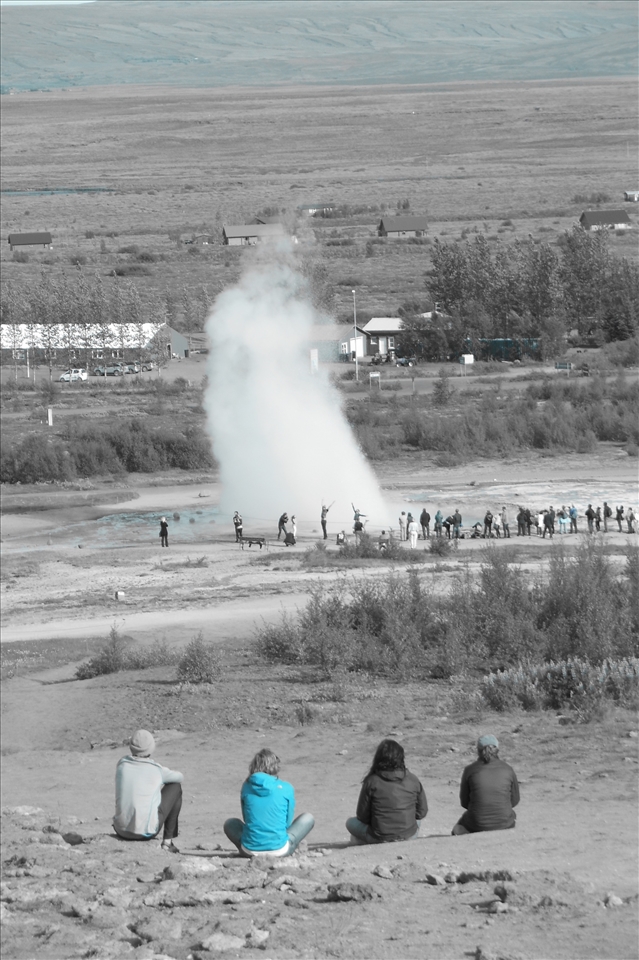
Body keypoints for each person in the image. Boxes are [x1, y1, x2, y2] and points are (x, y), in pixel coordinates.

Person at [224, 749, 314, 857]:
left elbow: (246, 818)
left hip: (250, 850)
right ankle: (281, 848)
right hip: (280, 850)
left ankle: (248, 849)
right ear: (275, 767)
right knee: (308, 818)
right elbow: (287, 822)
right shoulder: (286, 787)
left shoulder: (246, 786)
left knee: (230, 823)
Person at [113, 730, 183, 853]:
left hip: (120, 830)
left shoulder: (122, 764)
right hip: (145, 833)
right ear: (151, 748)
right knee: (175, 787)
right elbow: (179, 777)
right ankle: (167, 842)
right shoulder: (156, 769)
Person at [346, 739, 427, 845]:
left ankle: (364, 841)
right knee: (416, 821)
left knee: (350, 823)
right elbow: (422, 812)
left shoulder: (372, 781)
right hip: (409, 835)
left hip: (380, 836)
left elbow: (362, 816)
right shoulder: (413, 779)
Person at [452, 734, 519, 836]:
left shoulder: (470, 770)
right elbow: (514, 801)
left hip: (476, 823)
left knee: (458, 828)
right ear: (497, 749)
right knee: (511, 814)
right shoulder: (508, 769)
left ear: (478, 750)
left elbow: (464, 803)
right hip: (505, 822)